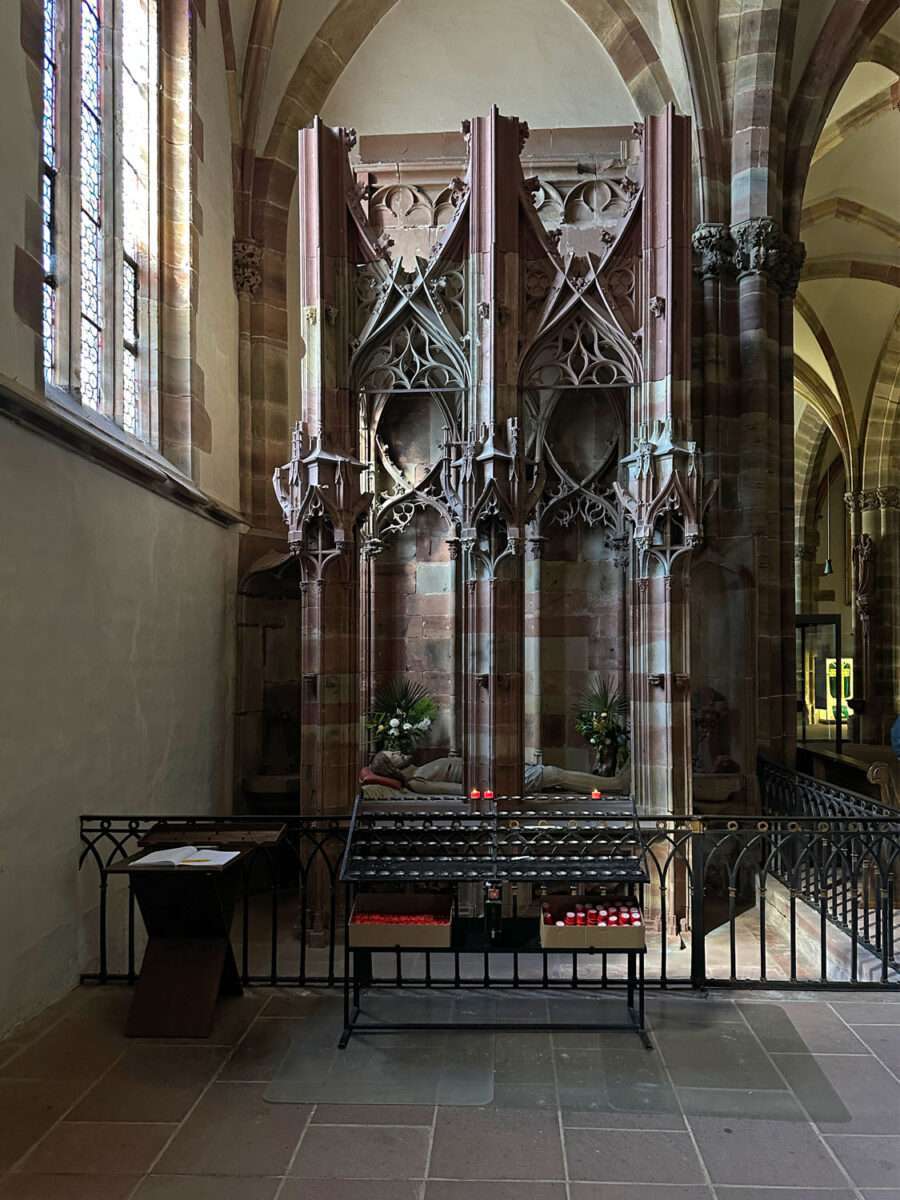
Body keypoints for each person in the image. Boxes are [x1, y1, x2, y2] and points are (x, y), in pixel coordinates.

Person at [368, 750, 619, 796]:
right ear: (392, 768)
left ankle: (613, 783)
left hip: (494, 771)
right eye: (393, 756)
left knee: (555, 776)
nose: (398, 752)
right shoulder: (416, 781)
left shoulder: (420, 769)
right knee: (555, 774)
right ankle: (616, 783)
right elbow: (463, 791)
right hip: (494, 781)